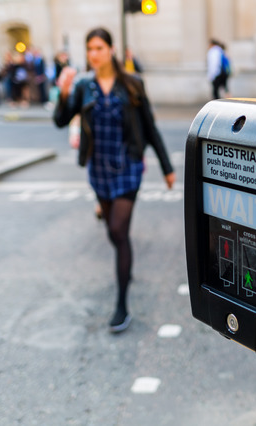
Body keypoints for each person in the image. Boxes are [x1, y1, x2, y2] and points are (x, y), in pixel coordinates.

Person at [54, 27, 176, 333]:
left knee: (119, 231)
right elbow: (60, 121)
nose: (93, 54)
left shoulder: (132, 85)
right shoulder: (83, 86)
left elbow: (149, 127)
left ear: (111, 50)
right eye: (89, 49)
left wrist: (167, 167)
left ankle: (122, 304)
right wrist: (64, 92)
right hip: (99, 170)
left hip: (129, 167)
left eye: (98, 48)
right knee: (113, 231)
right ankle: (126, 265)